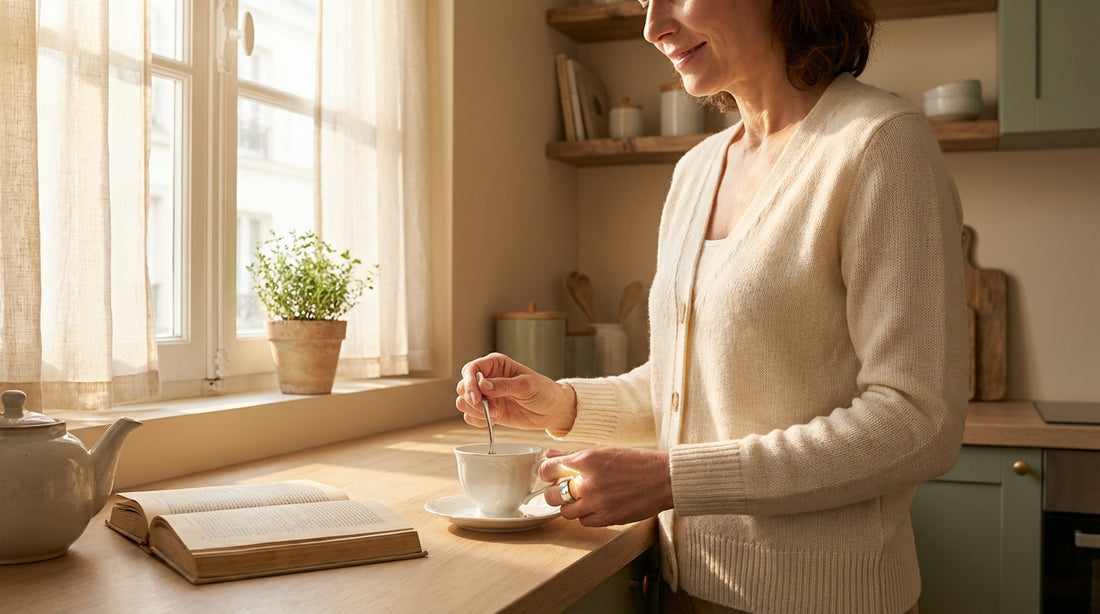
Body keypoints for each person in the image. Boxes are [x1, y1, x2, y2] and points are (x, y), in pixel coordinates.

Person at [456, 1, 968, 612]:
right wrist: (560, 402)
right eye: (644, 2)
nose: (653, 27)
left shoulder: (880, 144)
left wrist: (671, 478)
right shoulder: (696, 170)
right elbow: (687, 386)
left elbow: (916, 421)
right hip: (681, 586)